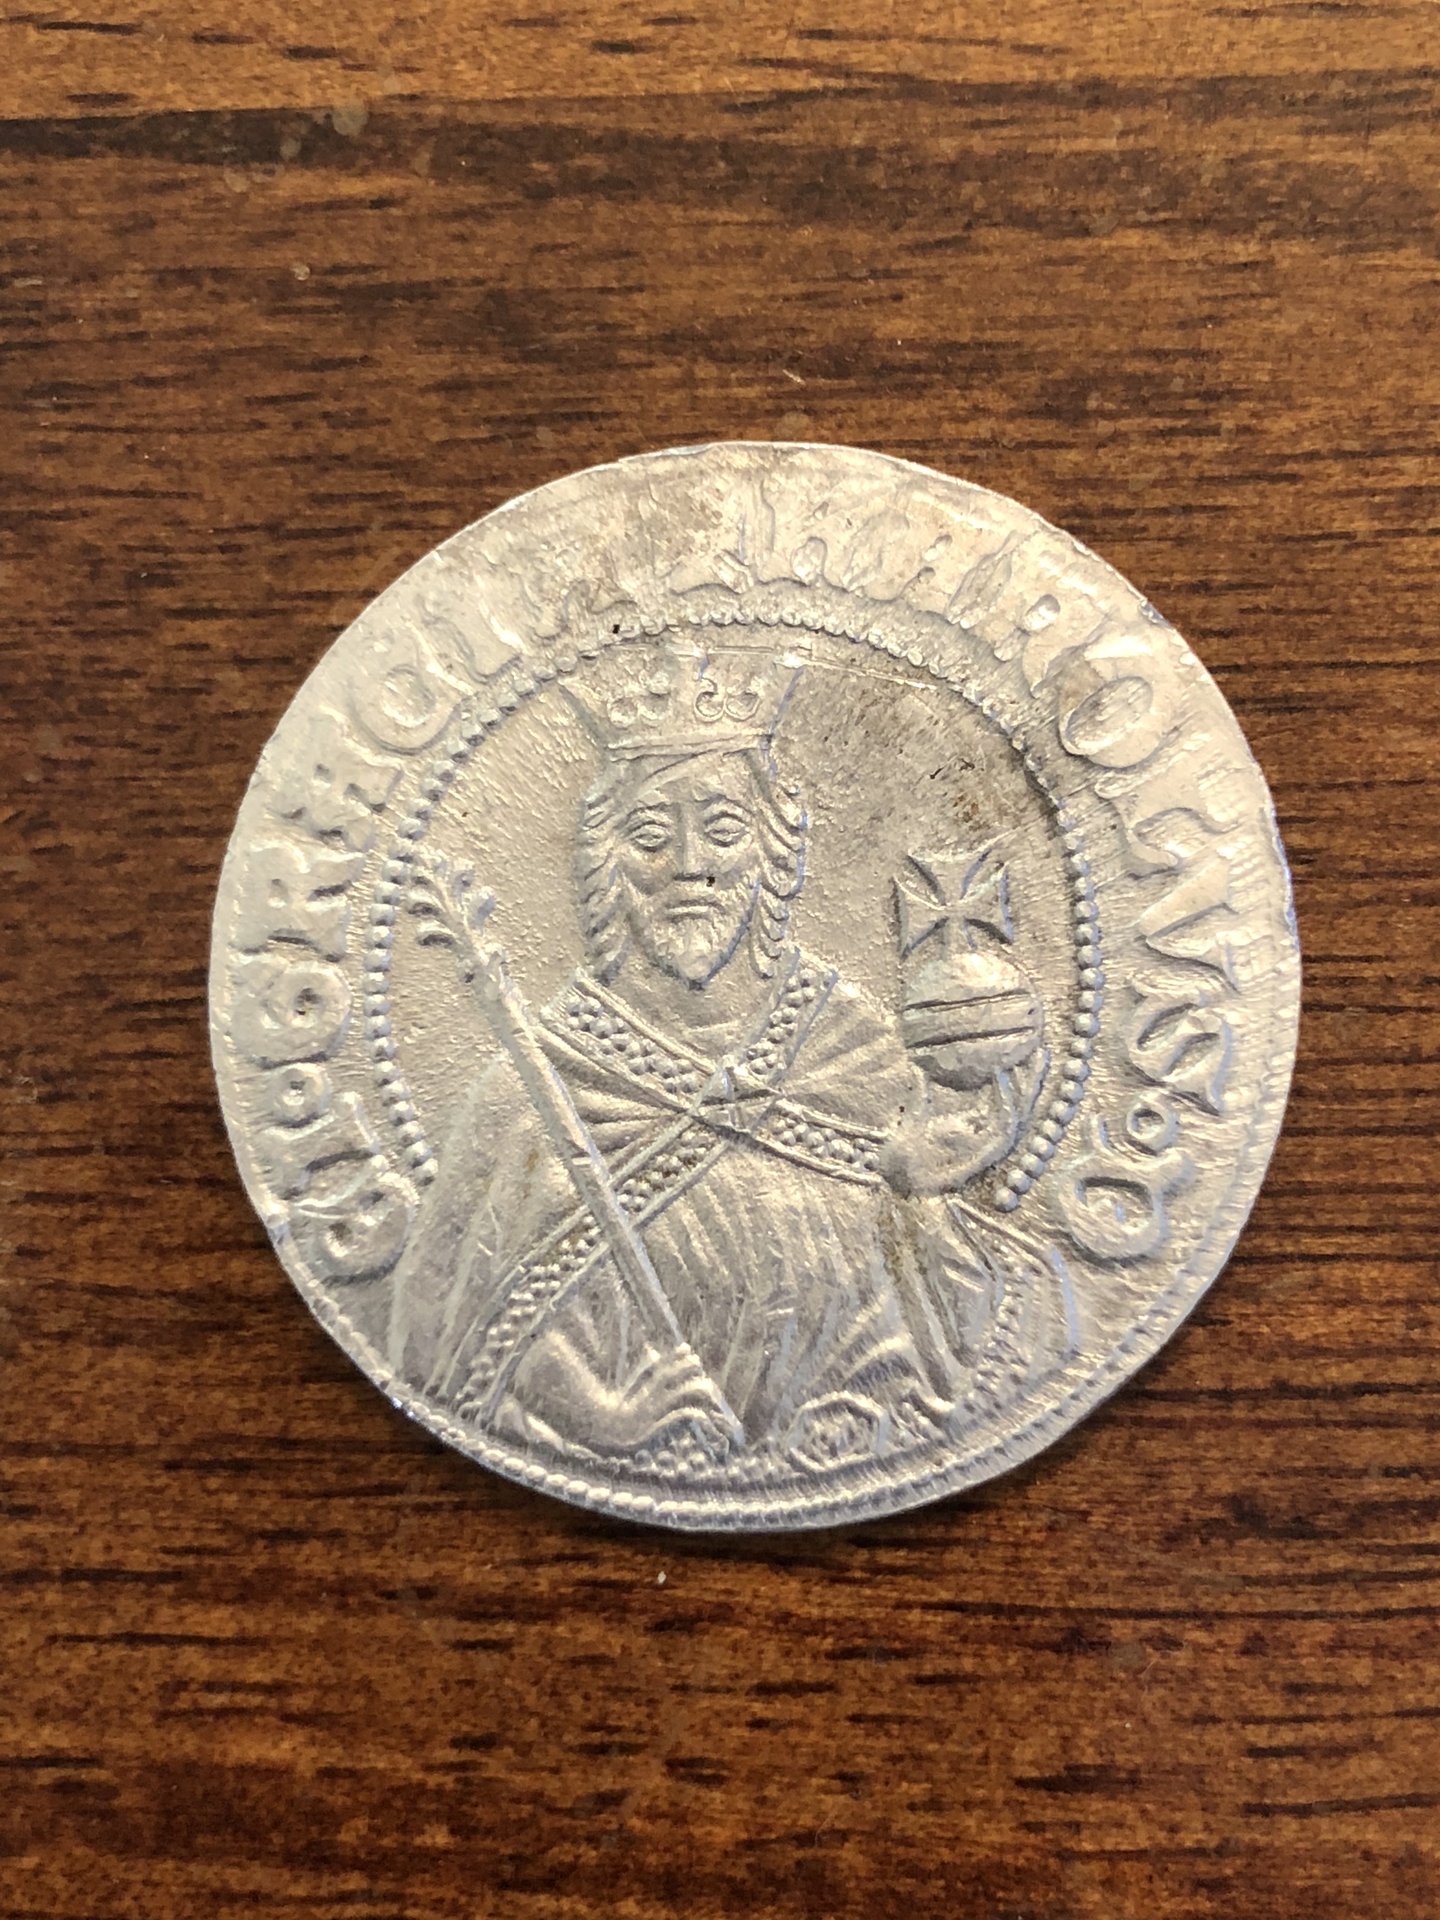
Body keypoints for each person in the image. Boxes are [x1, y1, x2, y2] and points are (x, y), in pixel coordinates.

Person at [387, 640, 1061, 1481]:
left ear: (774, 856)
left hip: (852, 1448)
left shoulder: (853, 1049)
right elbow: (451, 1329)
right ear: (604, 862)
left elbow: (963, 1337)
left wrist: (922, 1201)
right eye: (649, 835)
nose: (691, 867)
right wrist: (600, 1415)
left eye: (724, 829)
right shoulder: (537, 1082)